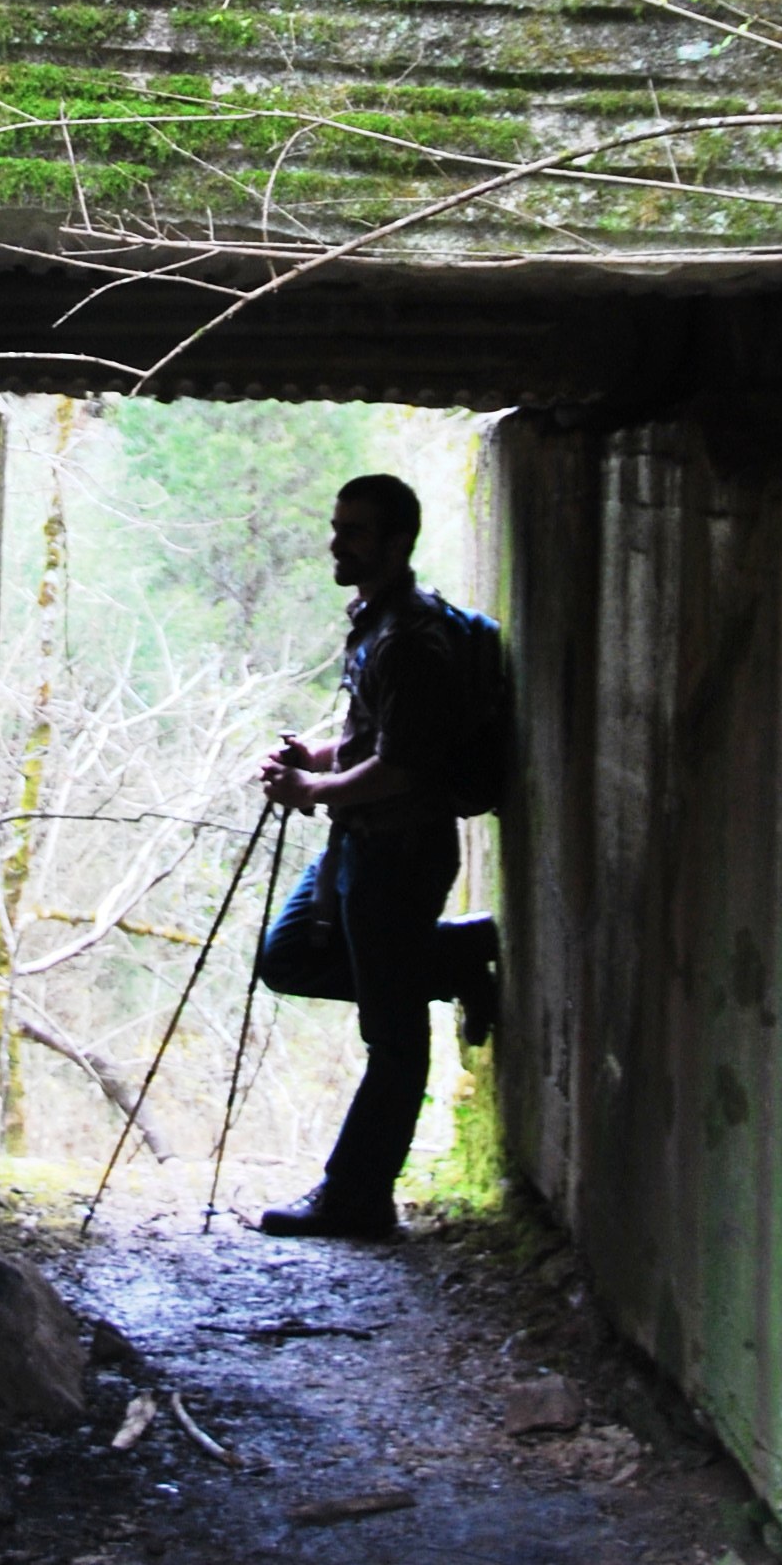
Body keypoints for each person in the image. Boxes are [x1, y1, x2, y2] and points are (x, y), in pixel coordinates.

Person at [250, 473, 500, 1242]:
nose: (337, 542)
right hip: (361, 841)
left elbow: (403, 768)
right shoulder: (380, 624)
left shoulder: (414, 642)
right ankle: (455, 957)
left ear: (398, 544)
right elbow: (372, 736)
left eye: (354, 531)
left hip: (399, 852)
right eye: (337, 525)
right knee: (288, 955)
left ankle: (357, 1196)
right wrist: (313, 756)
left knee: (392, 1037)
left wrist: (313, 787)